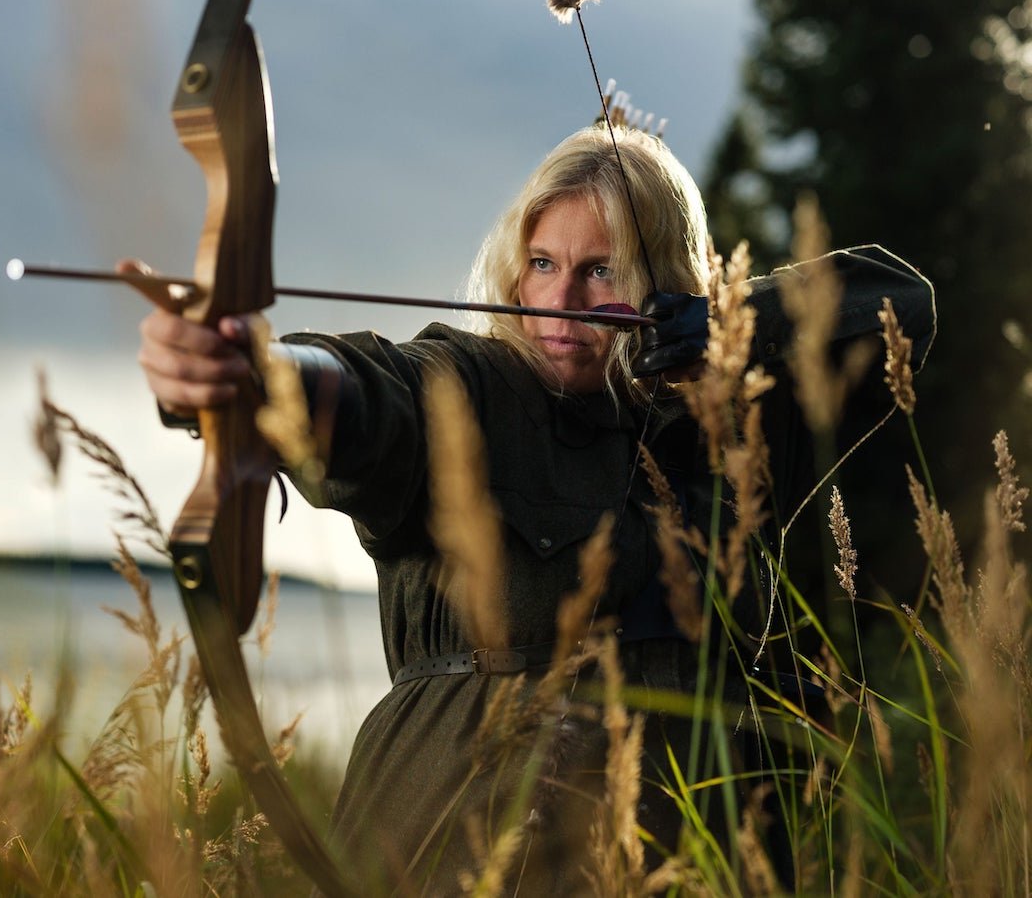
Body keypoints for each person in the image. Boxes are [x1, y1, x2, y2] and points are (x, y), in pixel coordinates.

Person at [138, 125, 934, 893]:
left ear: (662, 284)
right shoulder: (472, 389)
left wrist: (729, 323)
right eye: (543, 263)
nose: (561, 301)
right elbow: (371, 394)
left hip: (698, 857)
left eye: (601, 270)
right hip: (463, 847)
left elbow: (904, 301)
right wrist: (257, 376)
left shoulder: (734, 422)